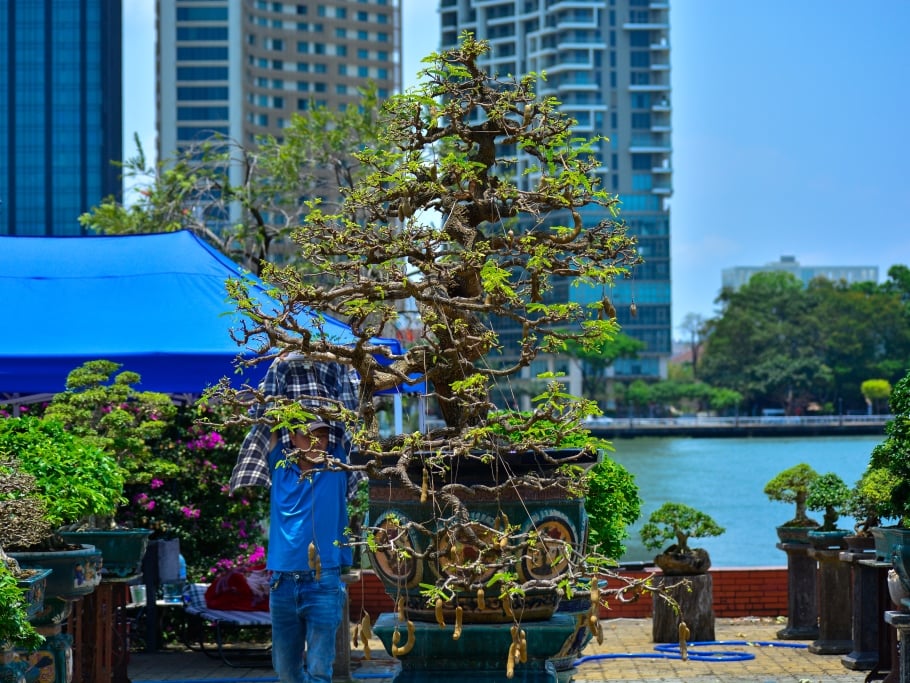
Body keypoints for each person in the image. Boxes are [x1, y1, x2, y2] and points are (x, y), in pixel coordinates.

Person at [230, 353, 360, 683]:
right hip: (282, 583)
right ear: (292, 437)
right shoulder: (279, 464)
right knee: (286, 672)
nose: (318, 440)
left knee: (319, 670)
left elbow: (353, 413)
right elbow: (264, 420)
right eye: (309, 433)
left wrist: (340, 361)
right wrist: (280, 365)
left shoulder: (338, 463)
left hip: (323, 581)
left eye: (323, 434)